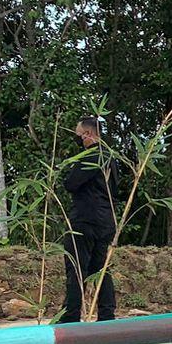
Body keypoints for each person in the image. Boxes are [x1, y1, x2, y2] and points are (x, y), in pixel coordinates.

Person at [58, 116, 117, 323]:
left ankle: (71, 316)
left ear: (88, 134)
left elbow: (71, 183)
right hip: (106, 219)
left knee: (76, 267)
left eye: (78, 135)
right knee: (101, 269)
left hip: (85, 219)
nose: (77, 139)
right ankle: (107, 315)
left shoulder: (91, 156)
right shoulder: (110, 157)